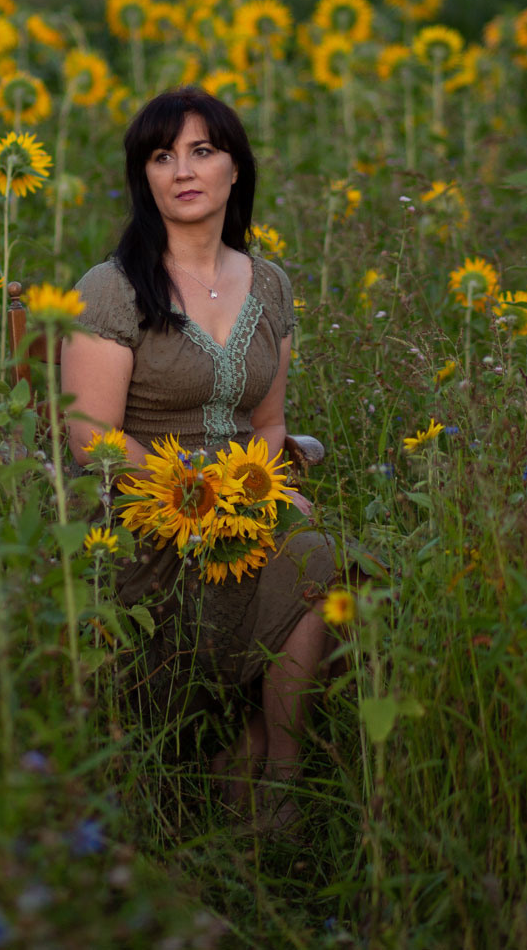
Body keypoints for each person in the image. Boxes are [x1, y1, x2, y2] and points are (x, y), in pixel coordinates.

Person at [62, 86, 343, 830]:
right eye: (162, 155)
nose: (182, 169)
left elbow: (270, 421)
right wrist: (195, 492)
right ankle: (224, 758)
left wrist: (260, 491)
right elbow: (90, 434)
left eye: (201, 150)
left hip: (240, 510)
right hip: (145, 519)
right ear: (144, 178)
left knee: (323, 557)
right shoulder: (112, 288)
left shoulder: (270, 284)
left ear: (234, 170)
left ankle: (274, 775)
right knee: (310, 559)